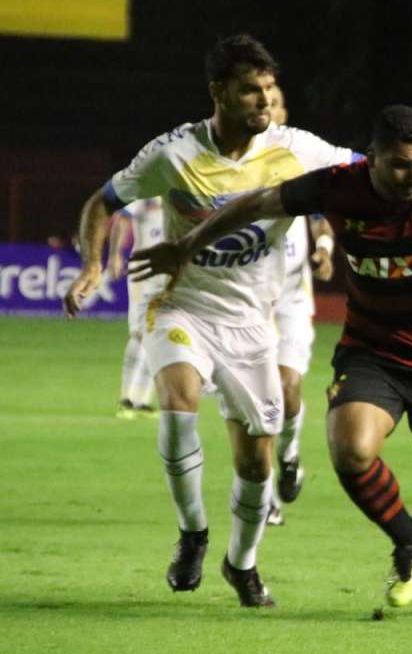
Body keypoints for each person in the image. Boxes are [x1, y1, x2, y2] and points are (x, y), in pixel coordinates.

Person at [129, 104, 412, 618]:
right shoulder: (337, 186)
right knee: (349, 450)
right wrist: (187, 244)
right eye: (399, 164)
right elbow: (254, 204)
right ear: (371, 159)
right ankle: (408, 538)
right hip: (374, 352)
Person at [62, 34, 360, 608]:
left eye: (270, 89)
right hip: (181, 305)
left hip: (252, 322)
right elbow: (103, 202)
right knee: (176, 405)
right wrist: (91, 267)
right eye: (251, 90)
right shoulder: (173, 153)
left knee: (256, 459)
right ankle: (193, 533)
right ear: (218, 93)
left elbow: (367, 171)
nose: (264, 101)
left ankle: (241, 565)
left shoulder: (296, 148)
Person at [263, 84, 338, 526]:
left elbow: (320, 212)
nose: (265, 108)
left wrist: (325, 247)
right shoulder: (233, 162)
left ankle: (289, 455)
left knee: (288, 387)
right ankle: (266, 494)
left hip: (291, 297)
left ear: (284, 110)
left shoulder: (298, 156)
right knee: (261, 399)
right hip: (248, 297)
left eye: (273, 101)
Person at [108, 197, 165, 419]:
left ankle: (142, 401)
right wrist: (115, 255)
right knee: (139, 334)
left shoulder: (183, 192)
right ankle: (126, 398)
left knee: (160, 334)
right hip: (144, 270)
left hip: (169, 271)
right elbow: (122, 218)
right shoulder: (149, 191)